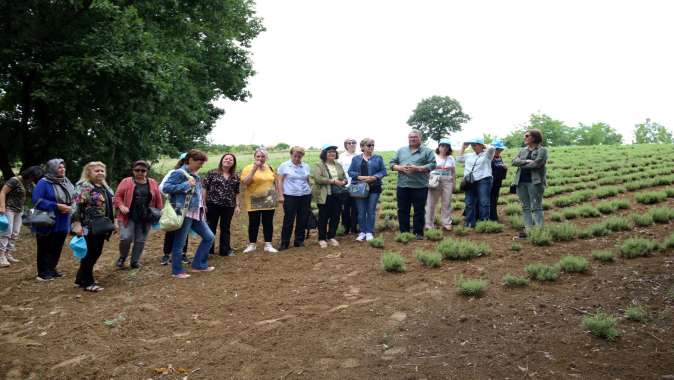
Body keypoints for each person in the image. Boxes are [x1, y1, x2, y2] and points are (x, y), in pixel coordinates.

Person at [162, 149, 215, 279]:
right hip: (184, 213)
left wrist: (202, 207)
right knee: (179, 243)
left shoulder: (193, 174)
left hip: (196, 213)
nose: (201, 166)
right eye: (199, 162)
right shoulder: (179, 173)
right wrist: (185, 184)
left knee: (209, 237)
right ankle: (177, 270)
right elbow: (166, 187)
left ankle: (198, 264)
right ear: (190, 160)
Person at [71, 162, 116, 292]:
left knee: (95, 252)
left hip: (101, 226)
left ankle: (81, 278)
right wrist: (77, 223)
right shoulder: (84, 187)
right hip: (88, 226)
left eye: (102, 170)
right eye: (97, 171)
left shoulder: (105, 187)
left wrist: (115, 222)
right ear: (88, 172)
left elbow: (111, 206)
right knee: (91, 253)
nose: (100, 173)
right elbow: (75, 207)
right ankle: (87, 282)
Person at [114, 160, 163, 269]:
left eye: (143, 170)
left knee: (140, 240)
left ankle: (135, 261)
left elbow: (158, 199)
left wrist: (159, 211)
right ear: (133, 171)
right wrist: (121, 206)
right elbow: (117, 197)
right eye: (137, 170)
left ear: (147, 171)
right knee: (126, 238)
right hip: (128, 215)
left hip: (145, 216)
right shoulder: (126, 181)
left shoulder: (153, 182)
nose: (140, 172)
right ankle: (122, 257)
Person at [31, 159, 75, 281]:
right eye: (59, 167)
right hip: (46, 219)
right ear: (52, 169)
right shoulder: (43, 183)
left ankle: (52, 269)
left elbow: (74, 197)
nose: (62, 169)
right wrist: (56, 206)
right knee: (45, 246)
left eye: (63, 167)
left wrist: (71, 206)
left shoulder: (66, 181)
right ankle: (43, 273)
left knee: (57, 245)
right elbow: (37, 200)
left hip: (63, 219)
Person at [389, 130, 435, 240]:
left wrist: (418, 168)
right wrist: (399, 167)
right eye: (410, 137)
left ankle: (418, 233)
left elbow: (433, 164)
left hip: (420, 186)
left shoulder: (427, 151)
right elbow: (392, 163)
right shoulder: (401, 151)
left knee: (419, 210)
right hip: (403, 186)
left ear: (420, 138)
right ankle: (404, 232)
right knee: (403, 210)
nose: (412, 139)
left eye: (415, 137)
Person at [0, 166, 43, 267]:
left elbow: (36, 195)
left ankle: (8, 254)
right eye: (34, 178)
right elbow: (2, 192)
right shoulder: (14, 180)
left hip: (19, 210)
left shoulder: (29, 183)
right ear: (30, 175)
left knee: (15, 233)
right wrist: (1, 207)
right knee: (7, 232)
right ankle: (1, 257)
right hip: (8, 209)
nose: (34, 180)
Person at [241, 148, 280, 254]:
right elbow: (245, 182)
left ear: (266, 157)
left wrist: (279, 194)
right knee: (254, 223)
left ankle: (268, 244)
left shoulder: (271, 168)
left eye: (263, 156)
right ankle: (252, 245)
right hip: (253, 198)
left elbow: (276, 181)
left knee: (268, 222)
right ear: (254, 157)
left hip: (269, 198)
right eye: (258, 156)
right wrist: (254, 169)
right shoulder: (248, 168)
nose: (260, 158)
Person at [348, 138, 387, 241]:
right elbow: (350, 172)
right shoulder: (356, 159)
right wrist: (359, 177)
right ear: (362, 147)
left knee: (371, 211)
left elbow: (383, 171)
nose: (371, 147)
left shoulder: (378, 158)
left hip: (374, 187)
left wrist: (375, 177)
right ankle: (362, 232)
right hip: (360, 188)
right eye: (369, 145)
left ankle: (369, 232)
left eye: (373, 145)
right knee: (361, 212)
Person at [511, 129, 548, 239]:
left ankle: (539, 230)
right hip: (520, 181)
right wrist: (527, 161)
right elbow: (513, 162)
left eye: (527, 136)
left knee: (537, 207)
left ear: (534, 137)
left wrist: (521, 163)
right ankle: (528, 230)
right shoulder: (522, 150)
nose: (525, 138)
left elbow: (537, 164)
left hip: (535, 182)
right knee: (525, 207)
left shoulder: (543, 150)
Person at [203, 153, 241, 256]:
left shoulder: (235, 176)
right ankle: (208, 250)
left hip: (229, 206)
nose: (228, 160)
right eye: (226, 158)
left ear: (233, 163)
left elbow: (237, 192)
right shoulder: (212, 173)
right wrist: (203, 203)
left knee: (225, 228)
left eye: (231, 159)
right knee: (211, 227)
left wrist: (237, 205)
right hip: (212, 204)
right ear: (222, 160)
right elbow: (204, 189)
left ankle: (225, 250)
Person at [312, 144, 347, 248]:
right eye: (329, 151)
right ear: (324, 153)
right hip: (325, 195)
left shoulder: (338, 165)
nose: (332, 153)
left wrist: (344, 181)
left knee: (335, 216)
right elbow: (318, 179)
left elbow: (344, 177)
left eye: (334, 151)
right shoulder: (319, 165)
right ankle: (322, 238)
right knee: (323, 217)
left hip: (338, 194)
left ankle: (331, 236)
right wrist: (334, 181)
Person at [277, 147, 312, 251]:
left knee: (302, 219)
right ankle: (284, 243)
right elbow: (279, 181)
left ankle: (299, 241)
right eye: (295, 155)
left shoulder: (305, 166)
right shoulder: (284, 165)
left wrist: (311, 191)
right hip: (290, 196)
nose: (297, 158)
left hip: (305, 195)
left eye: (299, 156)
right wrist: (280, 195)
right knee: (289, 219)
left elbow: (308, 180)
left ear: (302, 156)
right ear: (291, 154)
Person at [457, 137, 496, 227]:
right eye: (472, 145)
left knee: (484, 202)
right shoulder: (469, 155)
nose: (473, 147)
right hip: (469, 181)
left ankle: (484, 223)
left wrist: (484, 145)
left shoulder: (487, 155)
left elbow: (492, 148)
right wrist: (463, 147)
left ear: (481, 146)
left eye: (475, 145)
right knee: (469, 201)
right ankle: (470, 222)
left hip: (484, 179)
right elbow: (459, 159)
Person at [159, 156, 189, 265]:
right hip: (174, 205)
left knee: (184, 230)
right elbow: (163, 187)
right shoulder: (174, 172)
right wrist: (170, 197)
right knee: (171, 228)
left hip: (186, 206)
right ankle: (167, 254)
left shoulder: (191, 174)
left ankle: (182, 254)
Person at [424, 139, 455, 231]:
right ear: (439, 147)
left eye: (447, 146)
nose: (444, 148)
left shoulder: (451, 158)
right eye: (442, 146)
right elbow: (427, 169)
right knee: (431, 203)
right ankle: (429, 224)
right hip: (434, 180)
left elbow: (453, 172)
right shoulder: (433, 157)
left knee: (447, 202)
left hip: (447, 181)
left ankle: (446, 222)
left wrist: (454, 183)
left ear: (449, 148)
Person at [338, 138, 359, 235]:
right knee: (345, 208)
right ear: (345, 145)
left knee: (356, 208)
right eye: (349, 143)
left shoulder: (359, 155)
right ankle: (346, 227)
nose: (351, 144)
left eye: (353, 142)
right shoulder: (341, 157)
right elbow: (338, 171)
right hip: (345, 186)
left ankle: (354, 228)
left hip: (357, 186)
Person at [489, 140, 508, 221]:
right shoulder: (488, 158)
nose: (499, 151)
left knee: (494, 198)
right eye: (497, 149)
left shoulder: (499, 157)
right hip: (490, 181)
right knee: (488, 198)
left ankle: (493, 216)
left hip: (497, 182)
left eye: (500, 150)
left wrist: (504, 168)